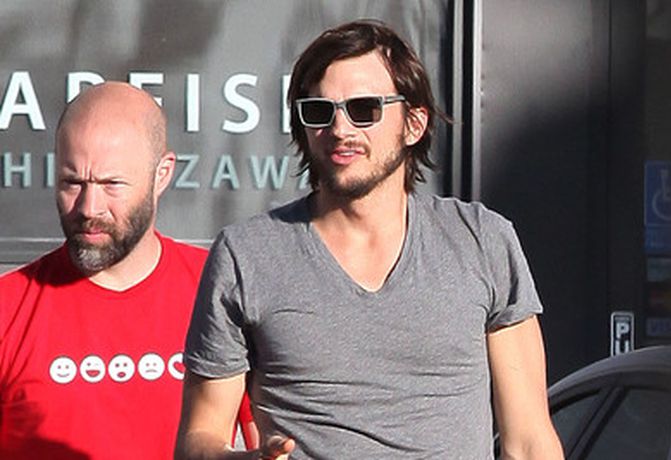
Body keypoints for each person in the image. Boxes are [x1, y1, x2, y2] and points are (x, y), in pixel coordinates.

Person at [175, 20, 563, 459]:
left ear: (414, 123)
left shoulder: (481, 240)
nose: (340, 129)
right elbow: (199, 438)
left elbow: (529, 441)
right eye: (319, 111)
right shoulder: (248, 254)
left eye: (364, 109)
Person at [0, 82, 256, 459]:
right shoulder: (8, 308)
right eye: (73, 182)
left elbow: (266, 438)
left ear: (162, 174)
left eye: (111, 184)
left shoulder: (223, 291)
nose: (89, 207)